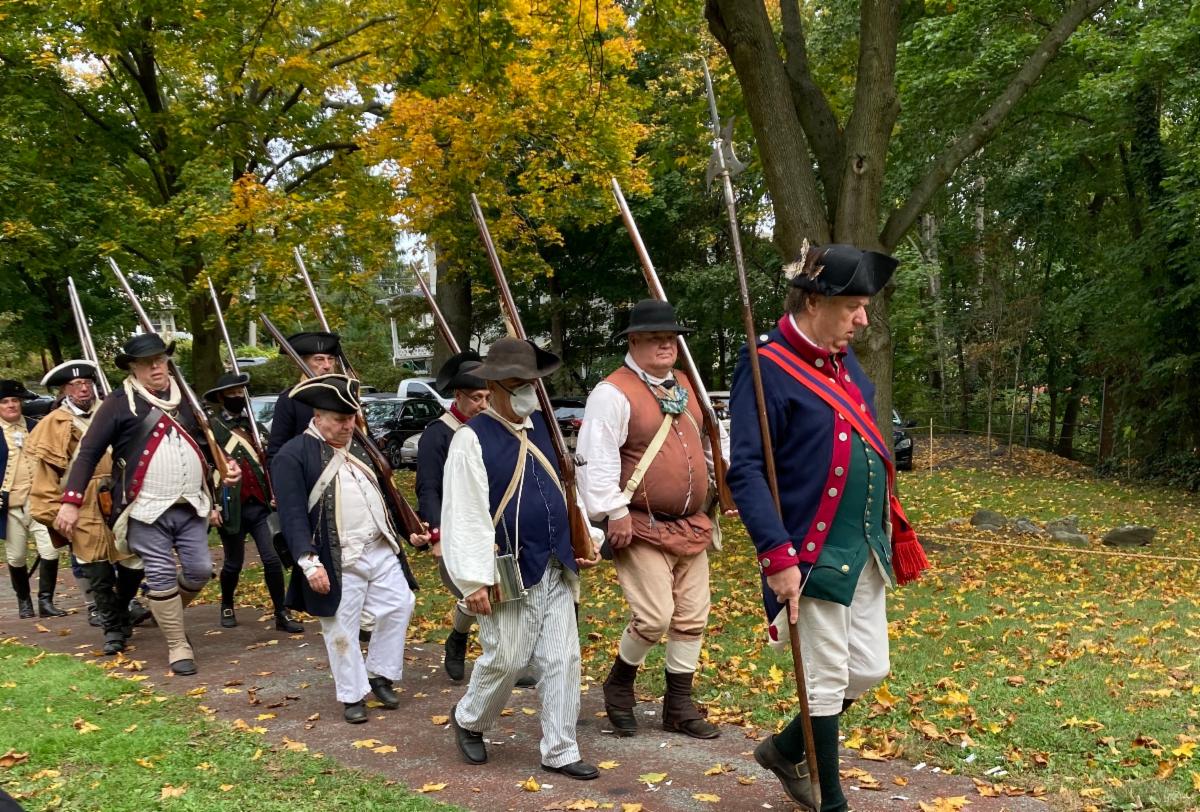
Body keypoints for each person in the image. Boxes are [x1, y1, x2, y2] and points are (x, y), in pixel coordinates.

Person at [727, 244, 928, 812]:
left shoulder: (845, 362)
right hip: (809, 549)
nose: (862, 319)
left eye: (864, 307)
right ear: (814, 302)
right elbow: (746, 469)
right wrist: (777, 554)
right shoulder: (766, 366)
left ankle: (786, 749)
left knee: (868, 668)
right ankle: (830, 800)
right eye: (852, 307)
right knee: (825, 677)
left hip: (863, 544)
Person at [441, 337, 604, 780]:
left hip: (555, 563)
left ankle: (560, 749)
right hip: (505, 569)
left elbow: (565, 490)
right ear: (494, 388)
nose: (528, 391)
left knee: (563, 659)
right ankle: (470, 719)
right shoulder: (471, 439)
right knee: (508, 659)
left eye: (531, 382)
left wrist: (586, 538)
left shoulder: (544, 429)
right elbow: (465, 514)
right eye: (517, 383)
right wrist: (473, 579)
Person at [55, 334, 241, 676]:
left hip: (190, 504)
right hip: (143, 508)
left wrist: (226, 465)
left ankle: (163, 611)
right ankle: (177, 644)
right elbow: (88, 454)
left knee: (200, 570)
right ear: (133, 368)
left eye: (160, 360)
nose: (155, 367)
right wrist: (71, 500)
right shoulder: (118, 403)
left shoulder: (186, 398)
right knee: (160, 574)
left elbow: (207, 442)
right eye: (146, 363)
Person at [577, 299, 721, 740]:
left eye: (671, 338)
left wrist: (723, 480)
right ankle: (619, 686)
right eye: (656, 338)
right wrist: (614, 511)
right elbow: (596, 457)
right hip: (639, 523)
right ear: (634, 341)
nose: (666, 345)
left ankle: (678, 705)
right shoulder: (612, 392)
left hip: (691, 523)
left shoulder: (685, 384)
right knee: (655, 618)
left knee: (692, 617)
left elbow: (706, 443)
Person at [271, 374, 417, 724]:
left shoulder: (361, 446)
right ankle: (352, 695)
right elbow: (292, 515)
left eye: (351, 418)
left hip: (378, 546)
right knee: (340, 629)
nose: (348, 425)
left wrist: (410, 530)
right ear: (318, 417)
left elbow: (385, 494)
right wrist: (309, 562)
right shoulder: (292, 455)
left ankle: (379, 673)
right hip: (335, 556)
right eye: (339, 419)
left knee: (400, 604)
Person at [25, 361, 145, 653]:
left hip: (120, 494)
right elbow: (45, 477)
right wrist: (57, 513)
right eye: (75, 385)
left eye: (87, 383)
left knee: (134, 561)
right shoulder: (54, 424)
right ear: (64, 390)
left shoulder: (113, 410)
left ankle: (121, 609)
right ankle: (112, 629)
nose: (83, 389)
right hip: (81, 502)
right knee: (97, 569)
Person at [411, 350, 491, 681]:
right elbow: (428, 488)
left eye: (488, 397)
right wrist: (437, 536)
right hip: (456, 526)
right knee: (475, 591)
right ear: (458, 396)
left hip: (491, 521)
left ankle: (469, 641)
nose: (483, 405)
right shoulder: (438, 433)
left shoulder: (491, 429)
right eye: (476, 398)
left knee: (495, 592)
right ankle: (464, 642)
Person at [204, 371, 303, 634]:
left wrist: (276, 491)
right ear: (221, 398)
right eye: (232, 393)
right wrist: (212, 505)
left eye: (240, 393)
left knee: (272, 560)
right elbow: (206, 470)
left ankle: (281, 613)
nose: (237, 397)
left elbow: (271, 462)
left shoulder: (255, 428)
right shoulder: (212, 430)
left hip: (260, 506)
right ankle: (227, 604)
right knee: (233, 563)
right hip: (230, 505)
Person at [2, 378, 62, 619]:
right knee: (16, 556)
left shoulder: (35, 426)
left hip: (38, 501)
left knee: (51, 551)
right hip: (10, 506)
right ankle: (24, 601)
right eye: (5, 401)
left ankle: (46, 602)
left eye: (14, 400)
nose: (11, 405)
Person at [266, 331, 340, 459]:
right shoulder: (290, 399)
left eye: (331, 359)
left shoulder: (342, 394)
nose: (327, 365)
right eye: (319, 359)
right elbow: (277, 452)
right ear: (303, 362)